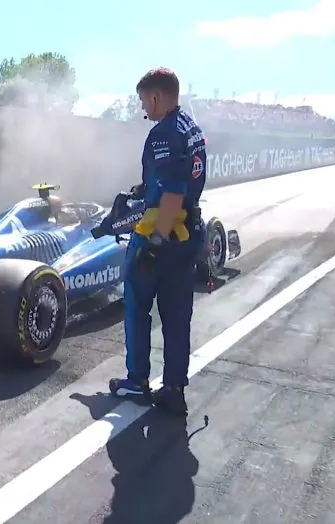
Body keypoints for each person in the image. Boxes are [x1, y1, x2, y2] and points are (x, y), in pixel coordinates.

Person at [108, 67, 207, 415]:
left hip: (165, 234)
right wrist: (143, 189)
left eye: (143, 101)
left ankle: (137, 381)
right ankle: (174, 388)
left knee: (137, 306)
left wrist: (154, 243)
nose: (142, 108)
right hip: (189, 233)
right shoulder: (191, 127)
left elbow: (173, 192)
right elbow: (177, 180)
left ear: (156, 96)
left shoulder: (163, 134)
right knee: (178, 315)